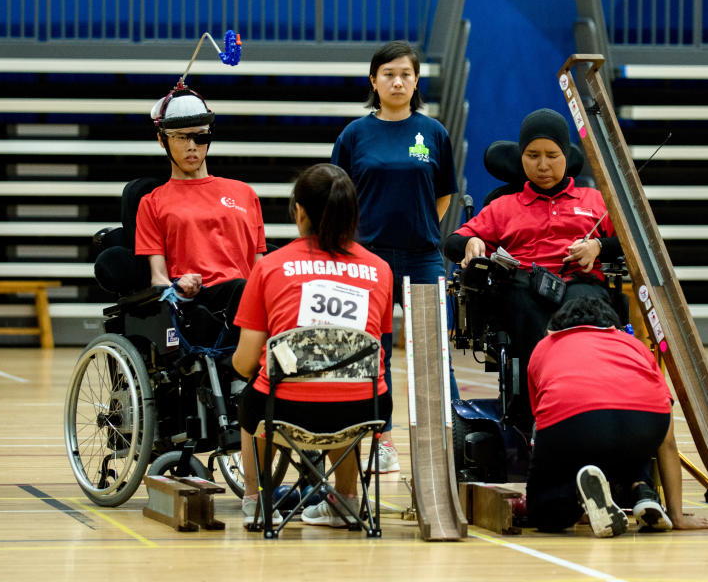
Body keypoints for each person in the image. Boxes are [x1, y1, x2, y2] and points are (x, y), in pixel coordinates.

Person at [232, 163, 394, 528]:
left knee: (253, 394)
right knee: (344, 380)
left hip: (287, 411)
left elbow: (244, 362)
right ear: (352, 213)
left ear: (299, 211)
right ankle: (346, 500)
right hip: (364, 411)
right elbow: (373, 347)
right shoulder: (381, 270)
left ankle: (256, 501)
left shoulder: (270, 267)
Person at [443, 107, 623, 422]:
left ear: (567, 155)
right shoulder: (502, 206)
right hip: (525, 287)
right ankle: (538, 411)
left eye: (552, 155)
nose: (542, 165)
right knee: (519, 299)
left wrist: (598, 246)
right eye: (532, 155)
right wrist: (471, 243)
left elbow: (630, 243)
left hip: (581, 285)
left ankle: (592, 405)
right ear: (521, 158)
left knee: (588, 309)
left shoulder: (594, 200)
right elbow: (453, 242)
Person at [331, 40, 458, 472]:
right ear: (374, 80)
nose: (398, 80)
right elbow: (339, 196)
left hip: (423, 257)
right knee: (372, 354)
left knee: (432, 353)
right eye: (388, 74)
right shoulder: (354, 135)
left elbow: (442, 195)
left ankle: (445, 442)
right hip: (368, 260)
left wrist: (419, 227)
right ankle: (380, 440)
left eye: (405, 73)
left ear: (417, 80)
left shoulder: (434, 133)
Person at [525, 295, 708, 537]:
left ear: (554, 329)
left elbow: (542, 422)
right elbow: (667, 442)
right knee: (628, 430)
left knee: (543, 511)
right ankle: (643, 492)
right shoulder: (633, 345)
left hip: (577, 422)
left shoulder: (545, 346)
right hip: (646, 424)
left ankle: (577, 499)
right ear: (612, 326)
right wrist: (677, 515)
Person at [135, 85, 266, 346]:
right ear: (162, 140)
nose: (192, 147)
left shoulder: (244, 194)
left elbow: (259, 267)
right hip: (194, 302)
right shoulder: (152, 203)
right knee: (239, 291)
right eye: (182, 138)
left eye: (200, 137)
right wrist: (179, 290)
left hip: (246, 301)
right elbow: (158, 277)